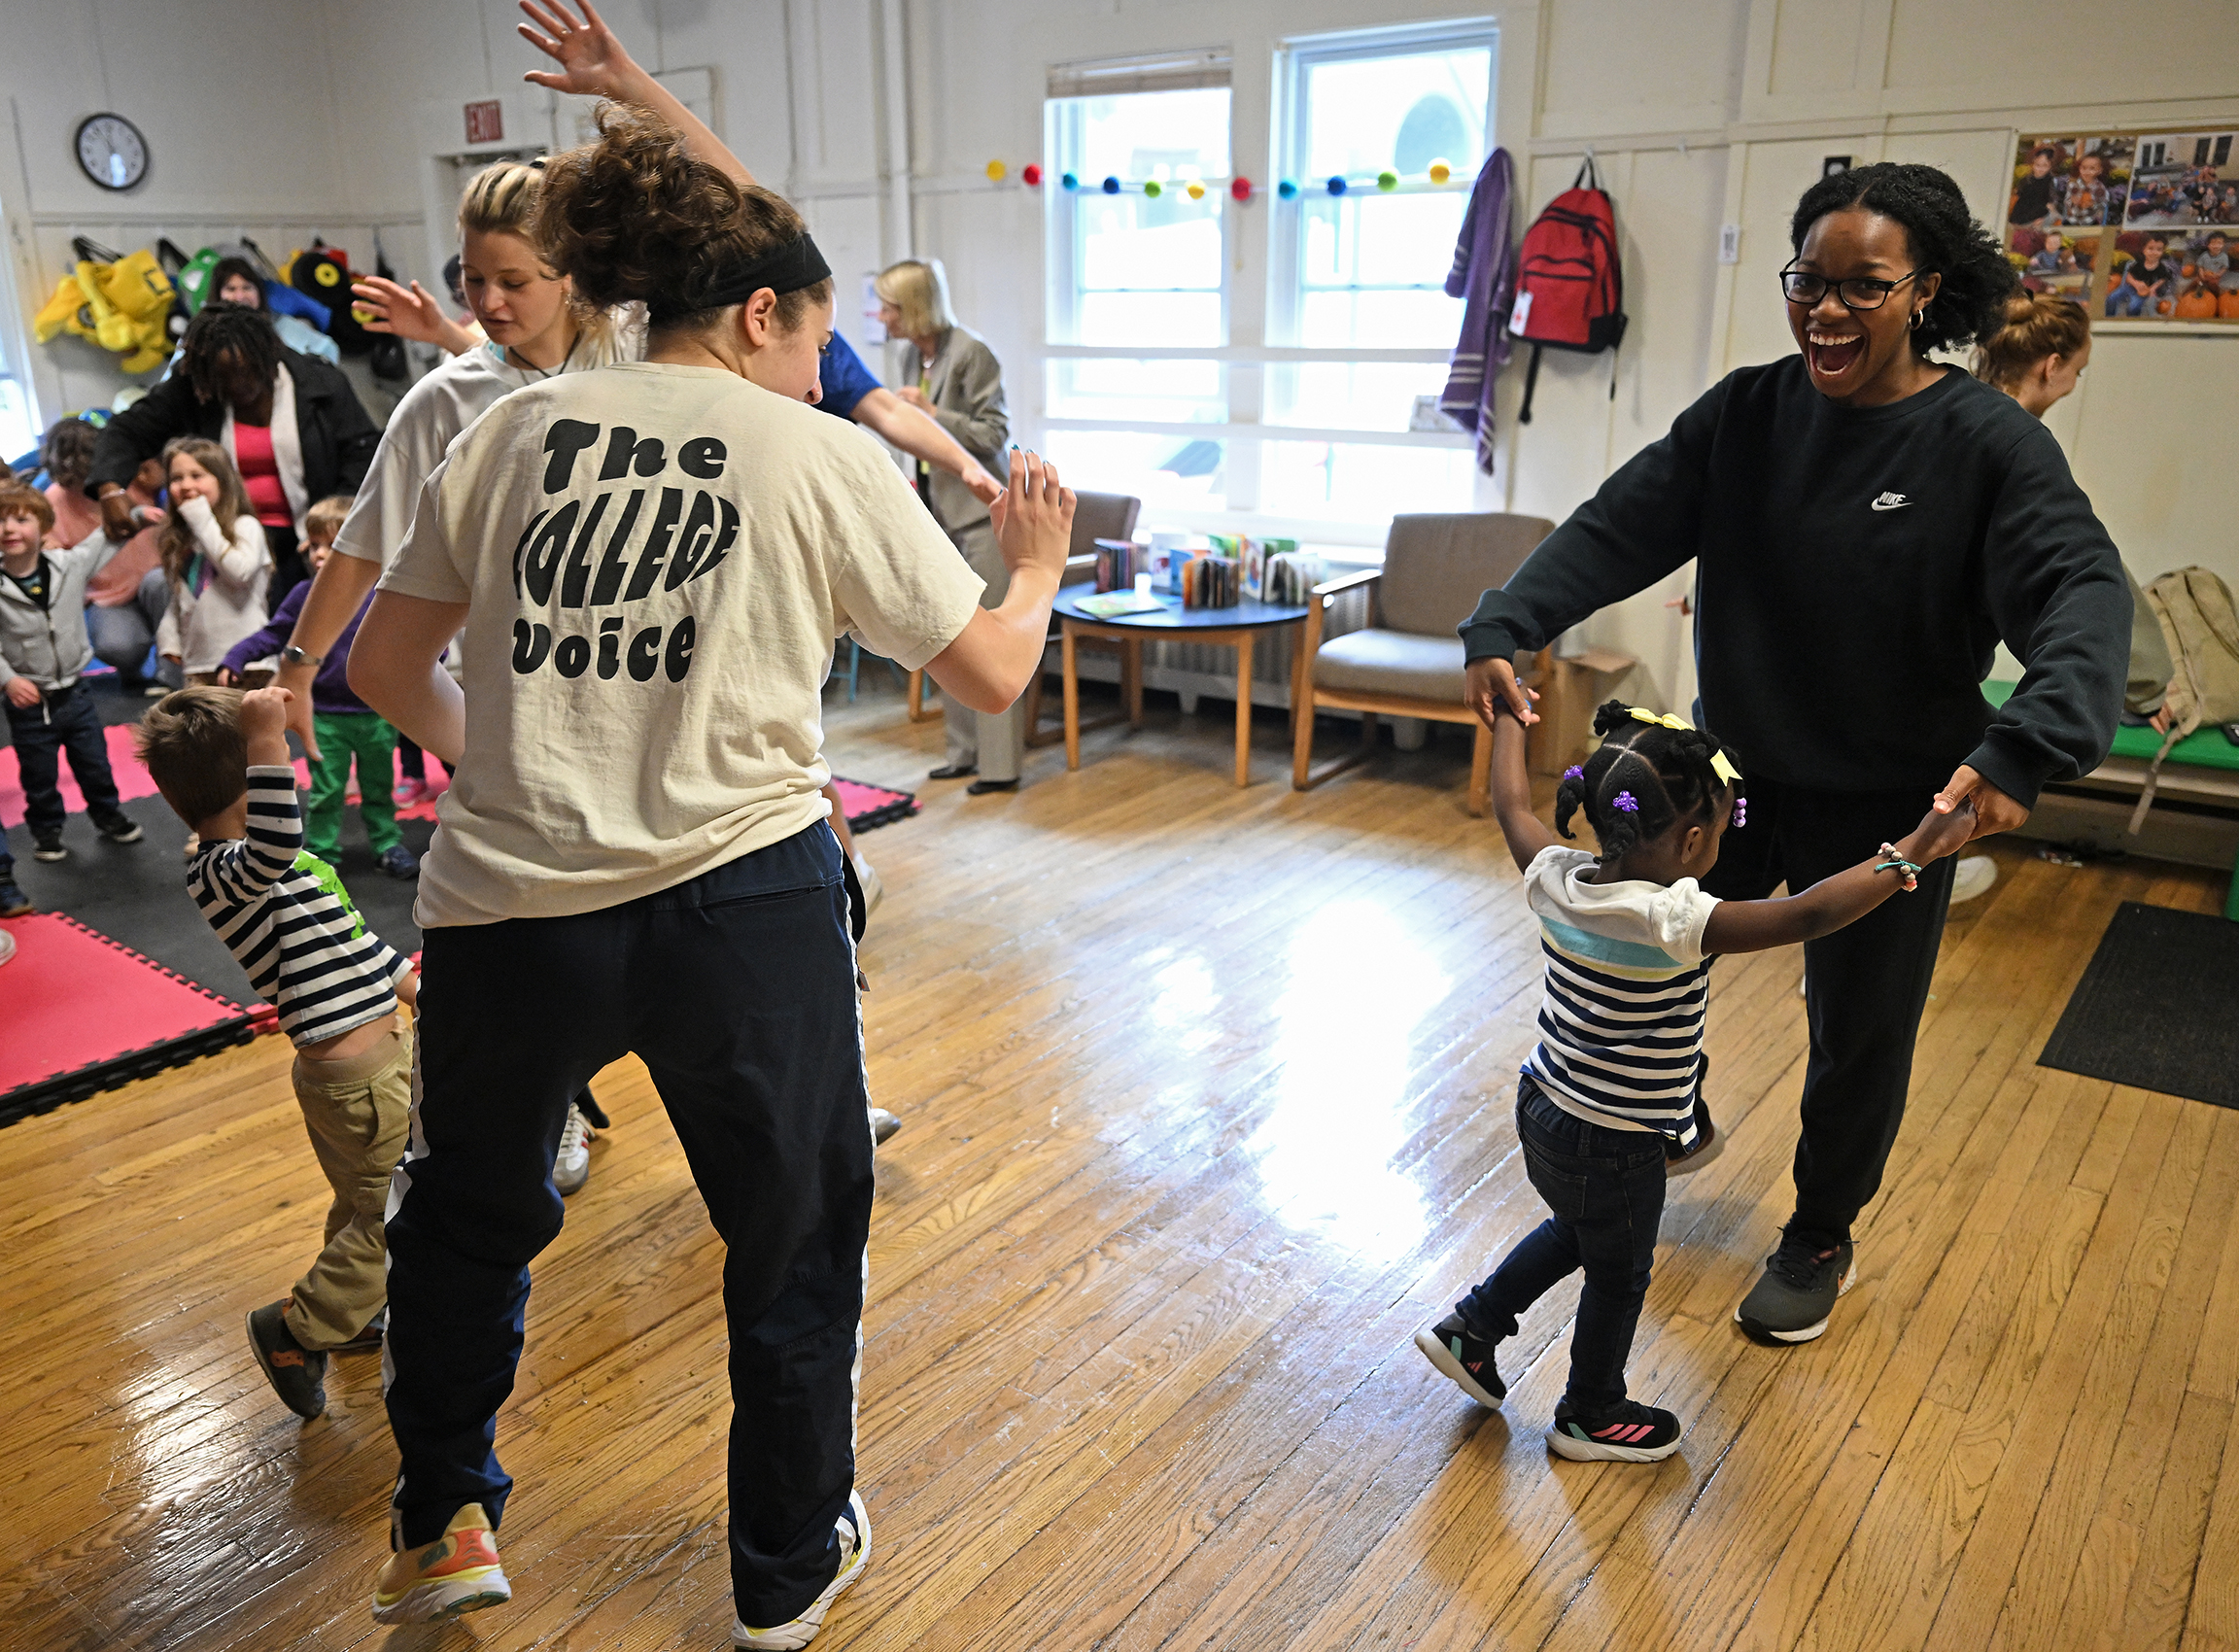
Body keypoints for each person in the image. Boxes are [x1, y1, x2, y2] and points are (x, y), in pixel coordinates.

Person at [344, 103, 1073, 1641]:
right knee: (794, 1226)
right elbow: (995, 679)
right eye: (819, 336)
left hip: (510, 907)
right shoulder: (812, 451)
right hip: (742, 897)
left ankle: (442, 1518)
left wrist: (514, 762)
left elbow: (387, 660)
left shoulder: (505, 430)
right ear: (758, 316)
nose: (828, 370)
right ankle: (786, 1563)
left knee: (468, 1217)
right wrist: (1038, 565)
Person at [1460, 161, 2128, 1347]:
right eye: (1808, 283)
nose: (1827, 309)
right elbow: (1622, 523)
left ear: (1925, 292)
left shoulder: (1983, 445)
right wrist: (1511, 619)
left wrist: (2026, 748)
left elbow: (2078, 591)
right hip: (1731, 781)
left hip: (1893, 800)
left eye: (1862, 287)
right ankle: (1669, 1105)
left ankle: (1821, 1228)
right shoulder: (1749, 415)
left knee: (1858, 1033)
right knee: (1639, 947)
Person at [1416, 701, 1975, 1457]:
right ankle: (1591, 1411)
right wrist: (1915, 851)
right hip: (1617, 1141)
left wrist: (1512, 714)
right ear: (1688, 840)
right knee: (1619, 1273)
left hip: (1542, 1106)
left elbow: (1510, 801)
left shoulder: (1556, 875)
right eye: (1719, 829)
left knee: (1578, 1231)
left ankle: (1473, 1328)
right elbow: (1806, 915)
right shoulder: (1677, 922)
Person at [136, 683, 417, 1419]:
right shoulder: (223, 870)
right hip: (353, 1078)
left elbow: (347, 937)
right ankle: (296, 1329)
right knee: (397, 1214)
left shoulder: (288, 868)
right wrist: (269, 737)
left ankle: (349, 1310)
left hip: (387, 1051)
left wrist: (409, 984)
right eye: (267, 760)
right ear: (250, 776)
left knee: (368, 1202)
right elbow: (277, 840)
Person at [85, 302, 376, 605]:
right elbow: (126, 430)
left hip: (313, 539)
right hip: (227, 542)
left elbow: (362, 452)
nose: (239, 385)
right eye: (224, 376)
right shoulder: (191, 391)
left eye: (247, 371)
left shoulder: (321, 382)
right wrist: (109, 489)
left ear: (267, 355)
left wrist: (336, 523)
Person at [218, 497, 418, 880]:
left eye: (333, 545)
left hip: (376, 713)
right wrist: (237, 656)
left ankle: (386, 843)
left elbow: (414, 637)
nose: (320, 555)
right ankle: (321, 851)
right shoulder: (303, 596)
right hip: (323, 715)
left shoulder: (384, 593)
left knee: (380, 784)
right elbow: (275, 633)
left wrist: (428, 666)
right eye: (315, 545)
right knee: (327, 789)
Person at [877, 258, 1018, 794]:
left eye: (888, 306)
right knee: (949, 639)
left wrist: (934, 414)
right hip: (938, 517)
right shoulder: (914, 353)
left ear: (913, 306)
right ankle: (962, 754)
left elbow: (993, 433)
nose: (881, 317)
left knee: (990, 646)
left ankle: (1000, 768)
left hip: (981, 518)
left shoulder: (972, 353)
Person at [0, 480, 146, 863]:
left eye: (20, 519)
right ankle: (46, 831)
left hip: (77, 693)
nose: (9, 529)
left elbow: (106, 539)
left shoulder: (69, 565)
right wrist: (9, 679)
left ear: (44, 526)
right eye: (0, 522)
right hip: (31, 701)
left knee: (94, 761)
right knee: (38, 775)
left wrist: (137, 515)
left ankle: (108, 814)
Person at [40, 419, 170, 692]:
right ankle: (133, 674)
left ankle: (170, 675)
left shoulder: (126, 476)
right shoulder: (53, 500)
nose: (83, 482)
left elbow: (162, 463)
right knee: (117, 645)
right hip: (106, 595)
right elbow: (49, 549)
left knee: (160, 584)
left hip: (152, 577)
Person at [155, 438, 270, 691]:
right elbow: (183, 596)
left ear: (222, 480)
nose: (186, 485)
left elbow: (239, 573)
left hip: (246, 663)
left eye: (197, 475)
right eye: (176, 478)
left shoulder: (245, 527)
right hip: (200, 663)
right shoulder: (183, 538)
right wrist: (169, 636)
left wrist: (201, 520)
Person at [2107, 234, 2174, 316]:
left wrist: (2153, 288)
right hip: (2130, 287)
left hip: (2144, 293)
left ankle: (2131, 323)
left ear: (2163, 252)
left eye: (2159, 250)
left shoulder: (2161, 268)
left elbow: (2162, 279)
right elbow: (2128, 276)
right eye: (2150, 249)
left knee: (2133, 306)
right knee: (2111, 298)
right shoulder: (2139, 264)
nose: (2154, 253)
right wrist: (2136, 283)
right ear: (2144, 250)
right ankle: (2109, 316)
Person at [2008, 146, 2060, 225]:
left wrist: (2044, 217)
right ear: (2033, 164)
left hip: (2040, 216)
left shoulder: (2051, 181)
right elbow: (2018, 199)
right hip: (2021, 216)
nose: (2040, 169)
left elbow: (2052, 204)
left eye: (2045, 166)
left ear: (2050, 166)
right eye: (2037, 165)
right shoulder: (2025, 180)